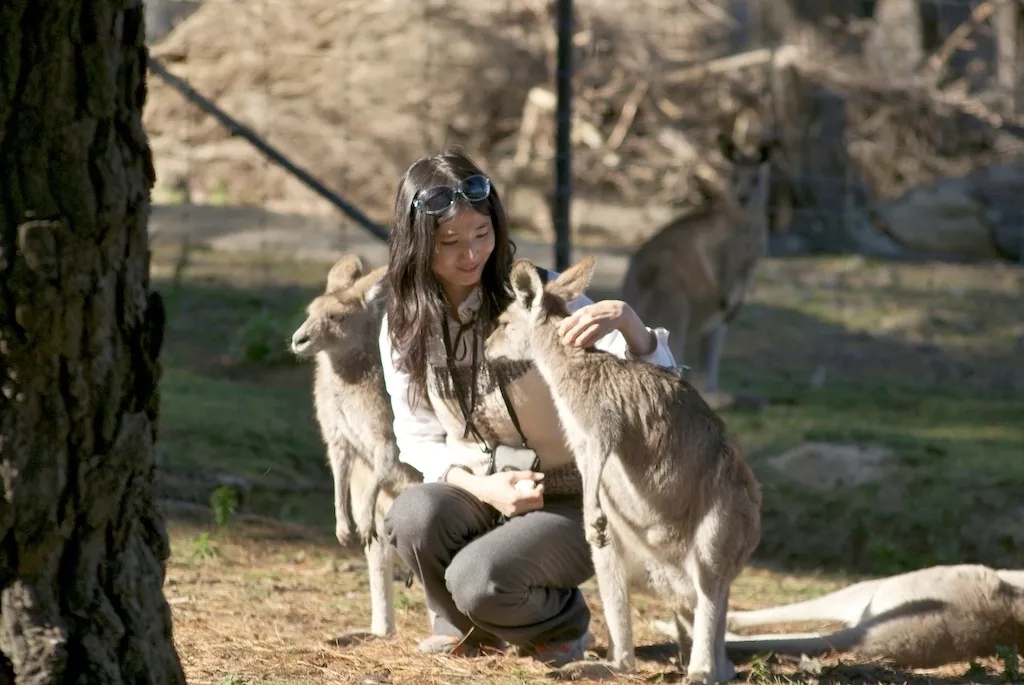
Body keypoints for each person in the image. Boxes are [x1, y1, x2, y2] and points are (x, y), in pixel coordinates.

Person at [379, 147, 677, 666]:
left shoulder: (539, 296)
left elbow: (657, 392)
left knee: (479, 577)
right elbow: (416, 435)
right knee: (411, 515)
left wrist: (634, 329)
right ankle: (463, 626)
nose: (471, 254)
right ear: (417, 243)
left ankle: (560, 623)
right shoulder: (404, 324)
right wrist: (484, 488)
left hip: (573, 500)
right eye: (449, 242)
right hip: (481, 489)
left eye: (482, 234)